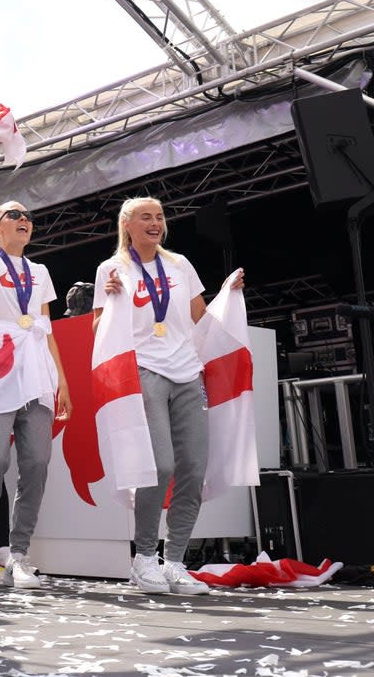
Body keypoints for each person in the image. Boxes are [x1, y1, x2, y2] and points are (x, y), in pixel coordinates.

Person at [93, 197, 243, 595]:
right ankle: (144, 559)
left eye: (159, 217)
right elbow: (97, 331)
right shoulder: (111, 269)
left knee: (194, 466)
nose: (155, 223)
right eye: (146, 217)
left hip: (188, 371)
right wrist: (109, 301)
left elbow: (200, 317)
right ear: (127, 224)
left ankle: (175, 561)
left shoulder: (179, 264)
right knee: (159, 465)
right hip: (144, 371)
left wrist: (229, 298)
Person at [0, 140, 72, 591]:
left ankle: (20, 555)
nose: (24, 220)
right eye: (13, 215)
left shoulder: (41, 271)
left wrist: (61, 379)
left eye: (27, 216)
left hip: (37, 371)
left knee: (38, 463)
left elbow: (46, 327)